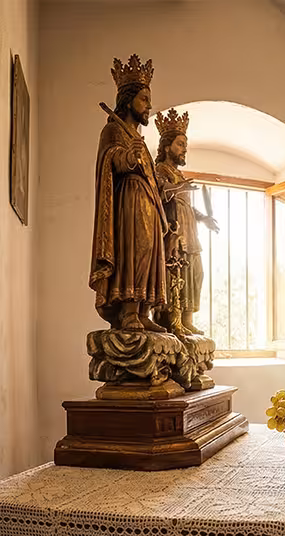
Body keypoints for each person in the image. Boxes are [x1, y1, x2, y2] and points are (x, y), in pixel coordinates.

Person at [89, 54, 169, 332]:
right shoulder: (113, 129)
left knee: (149, 252)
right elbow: (109, 161)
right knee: (133, 251)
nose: (149, 106)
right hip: (129, 200)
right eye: (144, 99)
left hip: (148, 200)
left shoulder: (140, 140)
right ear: (128, 99)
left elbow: (151, 174)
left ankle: (144, 309)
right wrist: (127, 158)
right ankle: (128, 310)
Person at [154, 108, 219, 335]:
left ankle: (187, 318)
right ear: (166, 146)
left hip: (190, 231)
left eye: (185, 145)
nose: (184, 149)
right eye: (180, 144)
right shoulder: (160, 169)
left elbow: (188, 205)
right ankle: (172, 319)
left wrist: (204, 218)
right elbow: (158, 195)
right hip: (174, 231)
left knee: (195, 273)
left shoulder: (179, 175)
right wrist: (179, 187)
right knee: (176, 274)